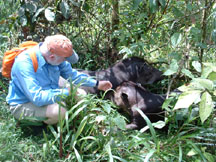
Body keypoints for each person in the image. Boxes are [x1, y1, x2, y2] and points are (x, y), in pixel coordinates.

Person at [6, 34, 112, 125]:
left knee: (81, 94)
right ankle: (43, 127)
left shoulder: (54, 57)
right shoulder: (24, 63)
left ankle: (74, 122)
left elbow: (72, 75)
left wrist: (97, 84)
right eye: (64, 59)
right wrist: (66, 92)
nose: (65, 61)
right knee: (60, 111)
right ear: (52, 57)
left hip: (48, 92)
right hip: (24, 103)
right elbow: (37, 98)